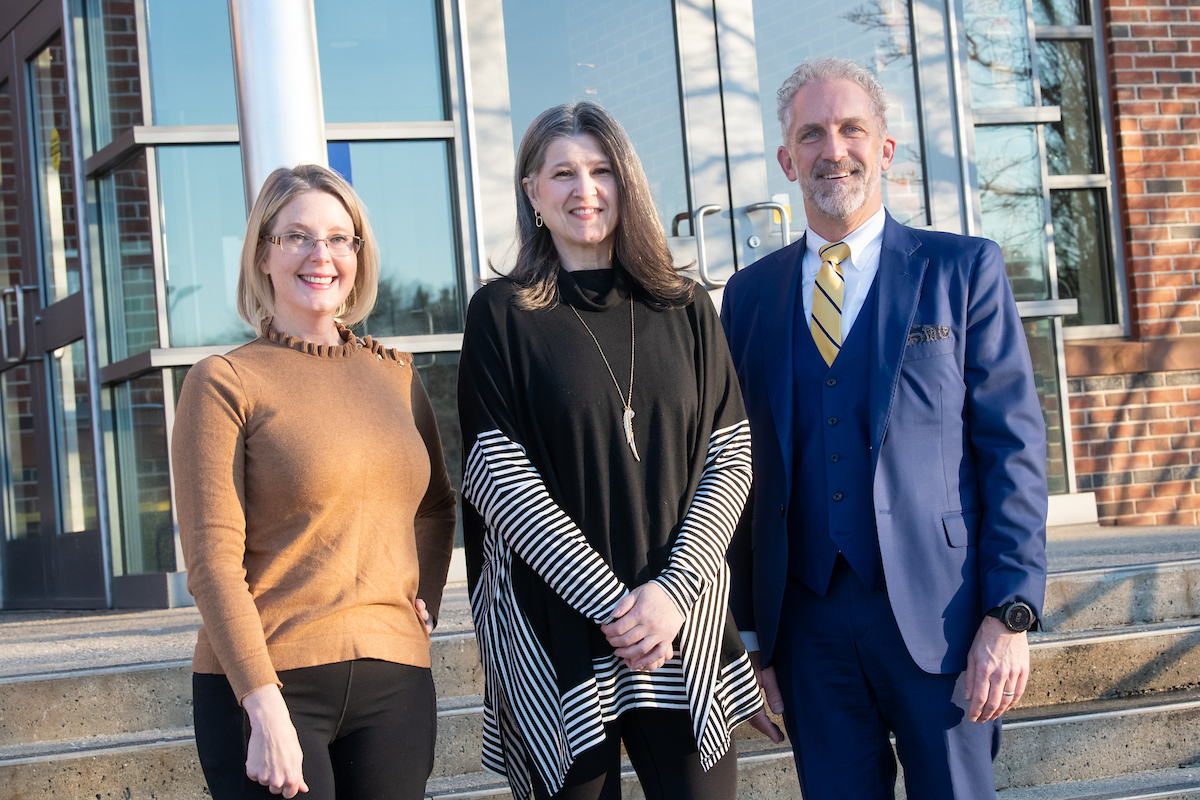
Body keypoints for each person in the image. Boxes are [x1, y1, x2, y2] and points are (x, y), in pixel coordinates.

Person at [720, 58, 1049, 799]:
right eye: (811, 134)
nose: (833, 149)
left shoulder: (962, 269)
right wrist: (750, 641)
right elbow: (739, 475)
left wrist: (1009, 614)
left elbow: (1013, 452)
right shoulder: (748, 298)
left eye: (852, 129)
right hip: (806, 628)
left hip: (944, 618)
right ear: (787, 160)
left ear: (886, 149)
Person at [457, 102, 761, 800]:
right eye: (562, 173)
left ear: (626, 182)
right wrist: (615, 606)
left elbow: (731, 456)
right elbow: (499, 478)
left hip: (679, 630)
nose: (584, 189)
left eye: (600, 170)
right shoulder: (501, 315)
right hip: (559, 635)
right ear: (532, 191)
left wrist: (670, 595)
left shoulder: (685, 305)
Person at [172, 164, 457, 800]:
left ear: (358, 254)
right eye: (297, 236)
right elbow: (212, 563)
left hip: (396, 682)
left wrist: (427, 596)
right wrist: (262, 704)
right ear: (263, 254)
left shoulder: (394, 376)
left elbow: (437, 506)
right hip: (271, 681)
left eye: (338, 238)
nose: (320, 255)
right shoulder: (223, 381)